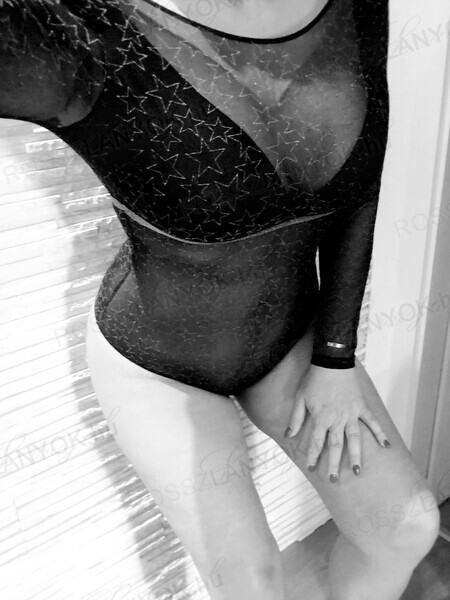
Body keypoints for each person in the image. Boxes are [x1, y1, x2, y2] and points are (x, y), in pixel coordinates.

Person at [0, 0, 440, 598]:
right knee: (251, 585)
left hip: (289, 339)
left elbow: (360, 191)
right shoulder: (74, 28)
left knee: (406, 527)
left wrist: (336, 357)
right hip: (157, 363)